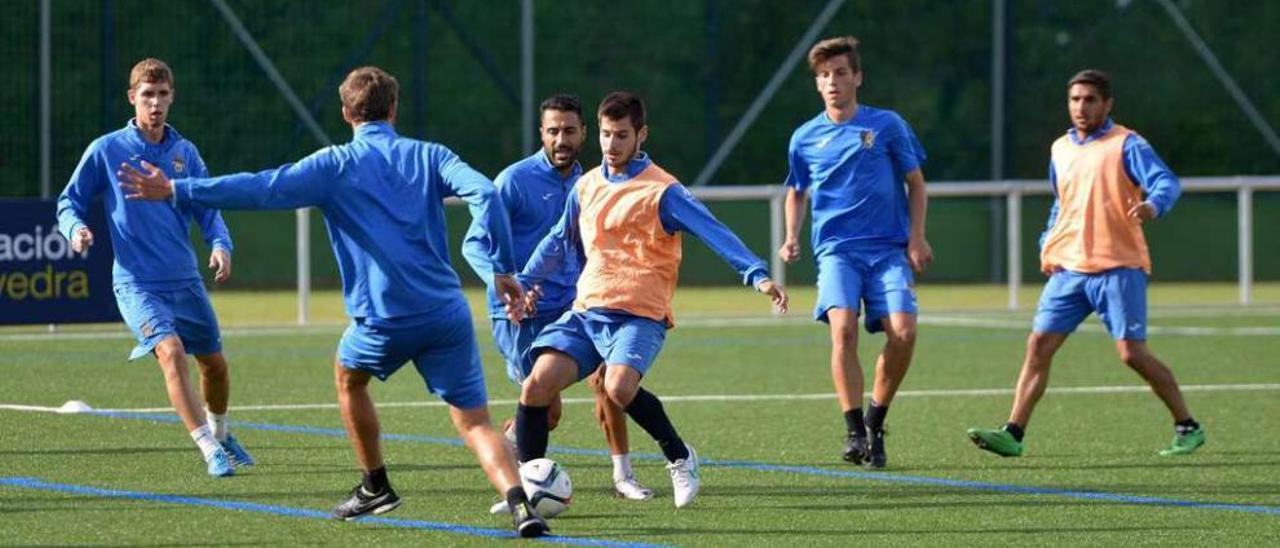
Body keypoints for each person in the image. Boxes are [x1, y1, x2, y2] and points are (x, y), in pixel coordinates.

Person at [119, 66, 549, 537]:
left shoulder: (334, 164)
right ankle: (520, 506)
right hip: (446, 313)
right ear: (395, 109)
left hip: (383, 319)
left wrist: (177, 188)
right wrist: (503, 268)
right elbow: (485, 192)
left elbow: (260, 187)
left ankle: (375, 484)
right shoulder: (430, 155)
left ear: (347, 113)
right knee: (474, 422)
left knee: (348, 376)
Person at [513, 91, 788, 509]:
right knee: (536, 385)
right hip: (588, 313)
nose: (611, 144)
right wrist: (524, 281)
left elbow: (713, 230)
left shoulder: (663, 191)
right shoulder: (586, 185)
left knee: (618, 386)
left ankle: (680, 456)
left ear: (641, 134)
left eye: (622, 135)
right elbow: (557, 240)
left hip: (639, 315)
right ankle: (528, 489)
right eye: (605, 135)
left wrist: (757, 274)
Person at [967, 69, 1204, 458]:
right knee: (1038, 345)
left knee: (1132, 353)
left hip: (1119, 266)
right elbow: (1062, 202)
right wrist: (1049, 243)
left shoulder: (1126, 144)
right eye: (1075, 99)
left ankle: (1187, 425)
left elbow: (1166, 182)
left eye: (1090, 99)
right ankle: (1013, 432)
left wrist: (1152, 205)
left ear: (1107, 104)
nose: (1081, 106)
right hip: (1071, 269)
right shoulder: (1060, 148)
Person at [56, 58, 252, 478]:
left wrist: (220, 244)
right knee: (170, 351)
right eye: (147, 95)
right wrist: (75, 229)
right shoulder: (107, 149)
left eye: (163, 94)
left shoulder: (185, 152)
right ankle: (206, 446)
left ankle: (220, 432)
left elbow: (207, 207)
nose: (155, 103)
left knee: (214, 364)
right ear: (132, 98)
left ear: (172, 97)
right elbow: (68, 202)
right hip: (137, 283)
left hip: (185, 279)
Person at [462, 94, 654, 509]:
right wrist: (506, 283)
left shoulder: (591, 181)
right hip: (520, 313)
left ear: (585, 133)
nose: (561, 139)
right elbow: (473, 243)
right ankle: (518, 477)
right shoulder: (513, 181)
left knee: (609, 382)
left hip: (578, 303)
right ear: (541, 134)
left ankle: (623, 475)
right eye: (553, 131)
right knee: (546, 413)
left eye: (569, 130)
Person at [779, 36, 932, 468]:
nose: (832, 82)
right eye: (824, 75)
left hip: (888, 251)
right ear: (817, 84)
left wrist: (917, 237)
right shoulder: (805, 137)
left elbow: (916, 183)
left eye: (840, 73)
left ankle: (876, 418)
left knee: (904, 333)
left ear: (857, 77)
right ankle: (853, 432)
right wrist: (792, 236)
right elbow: (796, 190)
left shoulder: (886, 126)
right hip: (837, 253)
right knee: (842, 330)